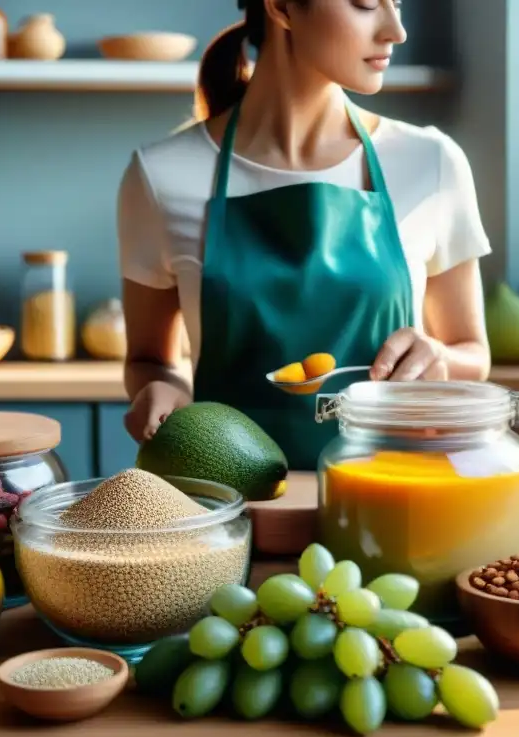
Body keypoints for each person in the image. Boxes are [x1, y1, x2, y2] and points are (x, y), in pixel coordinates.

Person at [117, 0, 492, 471]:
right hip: (226, 505)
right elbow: (148, 359)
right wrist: (163, 388)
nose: (396, 31)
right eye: (365, 4)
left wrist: (437, 359)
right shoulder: (160, 176)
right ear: (283, 8)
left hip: (391, 493)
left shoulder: (432, 161)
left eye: (396, 4)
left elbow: (472, 354)